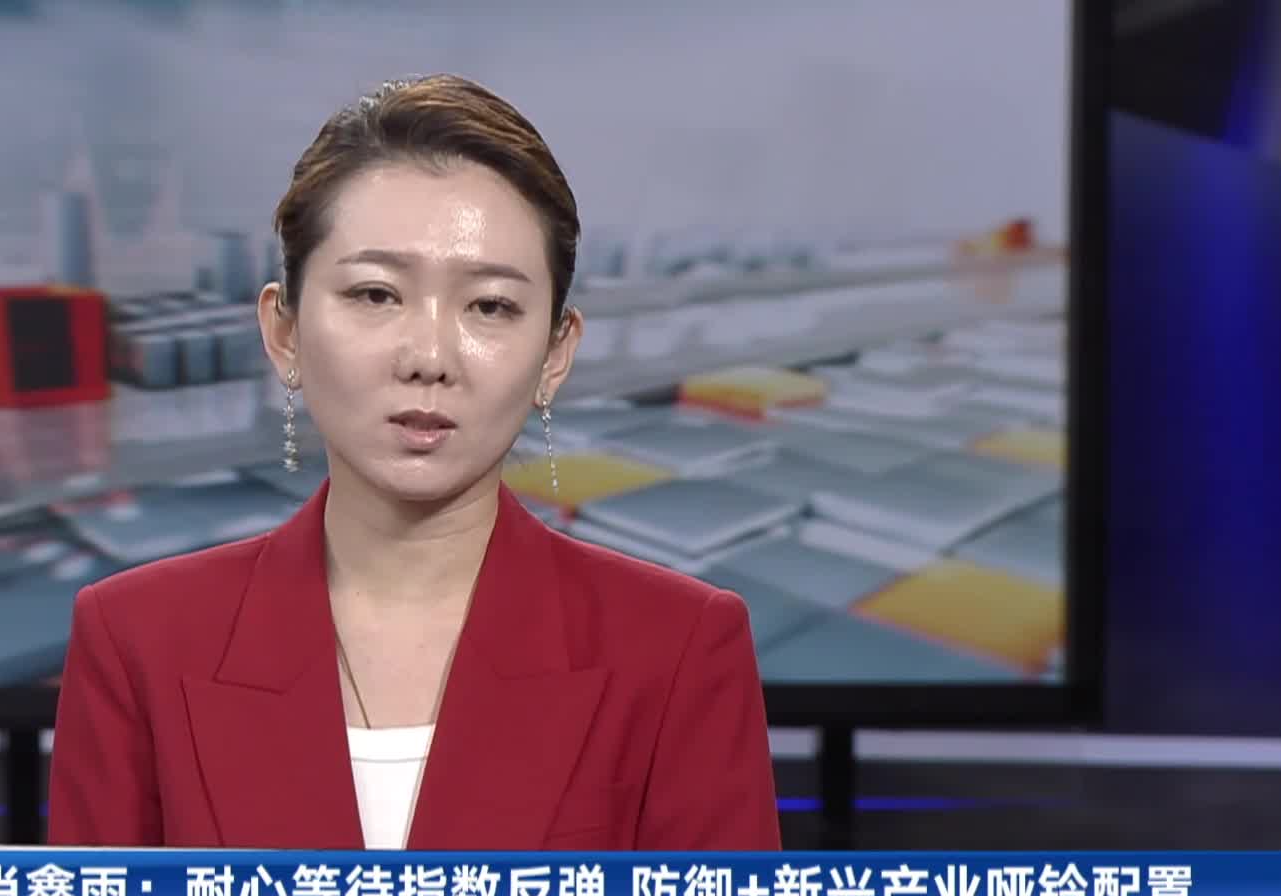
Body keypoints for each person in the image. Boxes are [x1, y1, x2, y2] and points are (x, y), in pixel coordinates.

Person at [48, 74, 779, 851]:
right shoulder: (136, 641)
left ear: (554, 355)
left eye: (490, 306)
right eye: (376, 295)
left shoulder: (677, 650)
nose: (429, 356)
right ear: (285, 332)